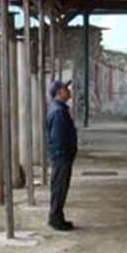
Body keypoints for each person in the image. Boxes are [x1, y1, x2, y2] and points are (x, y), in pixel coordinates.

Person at [46, 79, 77, 231]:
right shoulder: (58, 112)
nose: (68, 90)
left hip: (61, 155)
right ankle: (55, 218)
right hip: (61, 156)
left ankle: (57, 216)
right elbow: (58, 137)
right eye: (65, 88)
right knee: (59, 187)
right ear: (58, 92)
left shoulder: (59, 109)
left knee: (60, 187)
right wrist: (63, 153)